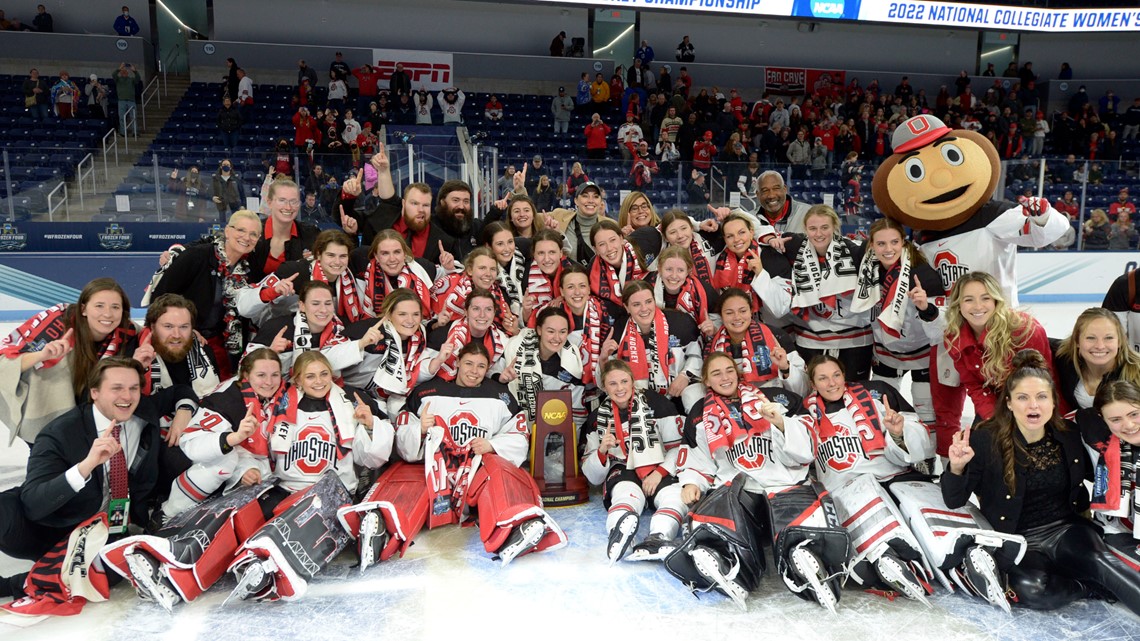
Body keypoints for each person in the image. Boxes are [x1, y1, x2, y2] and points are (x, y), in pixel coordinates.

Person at [943, 350, 1140, 614]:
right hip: (1018, 538)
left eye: (1041, 397)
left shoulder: (1069, 434)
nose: (1033, 405)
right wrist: (956, 467)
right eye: (1023, 397)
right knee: (1035, 592)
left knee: (1101, 562)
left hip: (1066, 530)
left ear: (1053, 402)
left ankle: (1095, 576)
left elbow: (1105, 461)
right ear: (1009, 403)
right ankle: (1087, 587)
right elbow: (954, 500)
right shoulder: (984, 440)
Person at [341, 342, 566, 572]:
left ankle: (515, 525)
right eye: (468, 363)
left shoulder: (501, 396)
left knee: (500, 471)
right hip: (434, 473)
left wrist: (492, 445)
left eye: (481, 366)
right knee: (409, 475)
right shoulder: (426, 393)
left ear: (488, 368)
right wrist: (420, 430)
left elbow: (518, 433)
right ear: (457, 363)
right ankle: (382, 526)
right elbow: (402, 435)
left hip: (476, 473)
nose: (474, 371)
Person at [0, 358, 194, 606]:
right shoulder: (59, 433)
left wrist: (184, 411)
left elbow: (180, 391)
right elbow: (33, 504)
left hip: (106, 530)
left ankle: (20, 584)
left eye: (134, 388)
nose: (127, 396)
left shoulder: (142, 409)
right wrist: (85, 466)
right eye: (117, 388)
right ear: (94, 392)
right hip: (51, 523)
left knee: (117, 563)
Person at [664, 352, 847, 610]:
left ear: (737, 372)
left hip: (783, 484)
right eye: (716, 373)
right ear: (706, 380)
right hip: (741, 491)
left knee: (798, 526)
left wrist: (781, 423)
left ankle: (807, 563)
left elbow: (807, 448)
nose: (725, 377)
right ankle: (731, 567)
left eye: (729, 370)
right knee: (719, 516)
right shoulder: (700, 413)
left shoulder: (775, 398)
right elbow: (698, 458)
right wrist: (692, 482)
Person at [803, 355, 939, 603]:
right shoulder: (804, 414)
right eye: (823, 378)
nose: (832, 383)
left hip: (894, 476)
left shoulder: (877, 394)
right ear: (813, 384)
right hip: (849, 488)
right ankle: (884, 556)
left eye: (836, 375)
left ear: (844, 375)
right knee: (867, 505)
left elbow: (919, 438)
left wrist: (898, 433)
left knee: (919, 512)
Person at [0, 278, 139, 445]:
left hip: (84, 417)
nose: (108, 314)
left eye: (115, 307)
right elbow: (5, 361)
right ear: (83, 309)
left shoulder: (128, 331)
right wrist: (41, 355)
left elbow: (155, 332)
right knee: (50, 457)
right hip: (44, 414)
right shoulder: (56, 324)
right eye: (99, 306)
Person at [580, 359, 687, 563]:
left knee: (674, 496)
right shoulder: (597, 418)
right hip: (622, 468)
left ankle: (659, 537)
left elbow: (678, 448)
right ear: (604, 387)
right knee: (625, 494)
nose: (620, 388)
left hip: (657, 466)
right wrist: (602, 450)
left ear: (632, 381)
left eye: (624, 381)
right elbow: (592, 477)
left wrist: (659, 473)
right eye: (612, 383)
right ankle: (618, 533)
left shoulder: (657, 404)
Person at [151, 211, 277, 378]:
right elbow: (159, 298)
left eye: (253, 234)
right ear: (227, 231)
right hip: (185, 341)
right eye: (241, 230)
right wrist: (186, 329)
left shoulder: (251, 267)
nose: (247, 237)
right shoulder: (197, 256)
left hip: (225, 345)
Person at [850, 218, 946, 422]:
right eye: (881, 243)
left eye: (894, 242)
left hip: (922, 353)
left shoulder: (923, 275)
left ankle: (926, 445)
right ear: (871, 244)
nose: (888, 249)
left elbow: (941, 330)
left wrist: (926, 308)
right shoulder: (864, 265)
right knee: (882, 412)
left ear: (903, 241)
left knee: (926, 411)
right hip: (885, 353)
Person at [942, 271, 1060, 435]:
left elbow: (1043, 385)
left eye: (985, 298)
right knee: (981, 443)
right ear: (958, 304)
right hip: (997, 407)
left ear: (996, 300)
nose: (978, 306)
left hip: (1035, 406)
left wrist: (1020, 424)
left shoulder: (1025, 329)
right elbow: (975, 386)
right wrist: (995, 420)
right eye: (969, 300)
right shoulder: (954, 337)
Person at [340, 146, 462, 260]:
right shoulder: (379, 220)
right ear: (403, 203)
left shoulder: (445, 241)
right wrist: (349, 194)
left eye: (426, 205)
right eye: (414, 203)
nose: (421, 209)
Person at [599, 280, 703, 411]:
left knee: (693, 395)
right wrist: (603, 359)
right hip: (640, 399)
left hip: (679, 391)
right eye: (636, 304)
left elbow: (696, 355)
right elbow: (610, 377)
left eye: (648, 302)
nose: (644, 309)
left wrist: (685, 375)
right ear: (627, 307)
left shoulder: (680, 322)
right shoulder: (619, 329)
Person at [707, 287, 807, 395]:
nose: (737, 317)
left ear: (751, 311)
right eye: (729, 313)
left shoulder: (775, 336)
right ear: (721, 316)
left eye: (743, 311)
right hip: (731, 402)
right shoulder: (714, 344)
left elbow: (803, 390)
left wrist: (785, 368)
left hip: (772, 400)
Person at [502, 307, 586, 427]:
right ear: (539, 330)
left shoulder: (572, 361)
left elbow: (576, 410)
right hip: (513, 425)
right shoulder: (516, 345)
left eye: (562, 332)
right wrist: (502, 380)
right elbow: (494, 377)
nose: (557, 338)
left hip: (553, 427)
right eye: (551, 331)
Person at [709, 213, 791, 325]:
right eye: (730, 236)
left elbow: (782, 308)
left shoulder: (771, 257)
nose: (736, 239)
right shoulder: (719, 260)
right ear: (725, 239)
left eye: (741, 232)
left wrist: (761, 273)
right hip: (733, 326)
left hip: (770, 327)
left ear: (751, 232)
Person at [1053, 308, 1140, 412]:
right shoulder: (1064, 359)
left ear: (1121, 341)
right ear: (1077, 341)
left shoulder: (1136, 375)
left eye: (1109, 338)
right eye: (1090, 338)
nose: (1100, 346)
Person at [351, 229, 435, 318]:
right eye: (385, 253)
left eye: (397, 252)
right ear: (376, 256)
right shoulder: (360, 264)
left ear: (404, 253)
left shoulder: (423, 268)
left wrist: (446, 267)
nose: (392, 259)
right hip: (372, 325)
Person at [434, 247, 518, 333]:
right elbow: (430, 327)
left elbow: (510, 332)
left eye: (492, 269)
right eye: (482, 268)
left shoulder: (500, 295)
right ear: (470, 270)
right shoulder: (449, 286)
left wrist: (514, 331)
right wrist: (439, 325)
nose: (488, 274)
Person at [113, 62, 142, 134]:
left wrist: (134, 71)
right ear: (120, 72)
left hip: (131, 101)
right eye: (123, 71)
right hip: (121, 101)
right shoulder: (118, 79)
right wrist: (119, 68)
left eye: (125, 71)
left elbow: (138, 79)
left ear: (128, 73)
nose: (124, 72)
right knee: (122, 117)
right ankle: (123, 132)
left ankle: (135, 132)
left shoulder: (131, 80)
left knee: (133, 117)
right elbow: (113, 75)